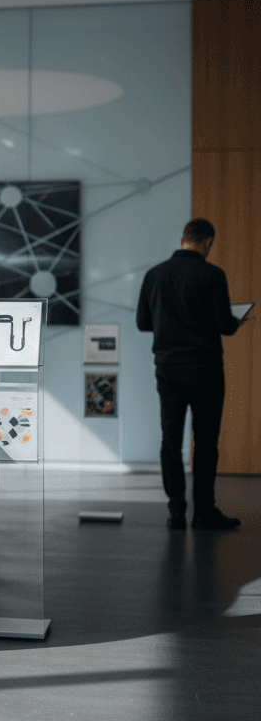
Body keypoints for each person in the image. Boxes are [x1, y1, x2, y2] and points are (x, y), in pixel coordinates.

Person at [136, 218, 245, 530]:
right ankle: (204, 511)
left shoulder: (154, 275)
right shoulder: (212, 275)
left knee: (170, 440)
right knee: (206, 441)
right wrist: (235, 321)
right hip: (205, 370)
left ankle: (175, 512)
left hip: (167, 369)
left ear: (183, 239)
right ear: (207, 242)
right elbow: (224, 325)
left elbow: (143, 323)